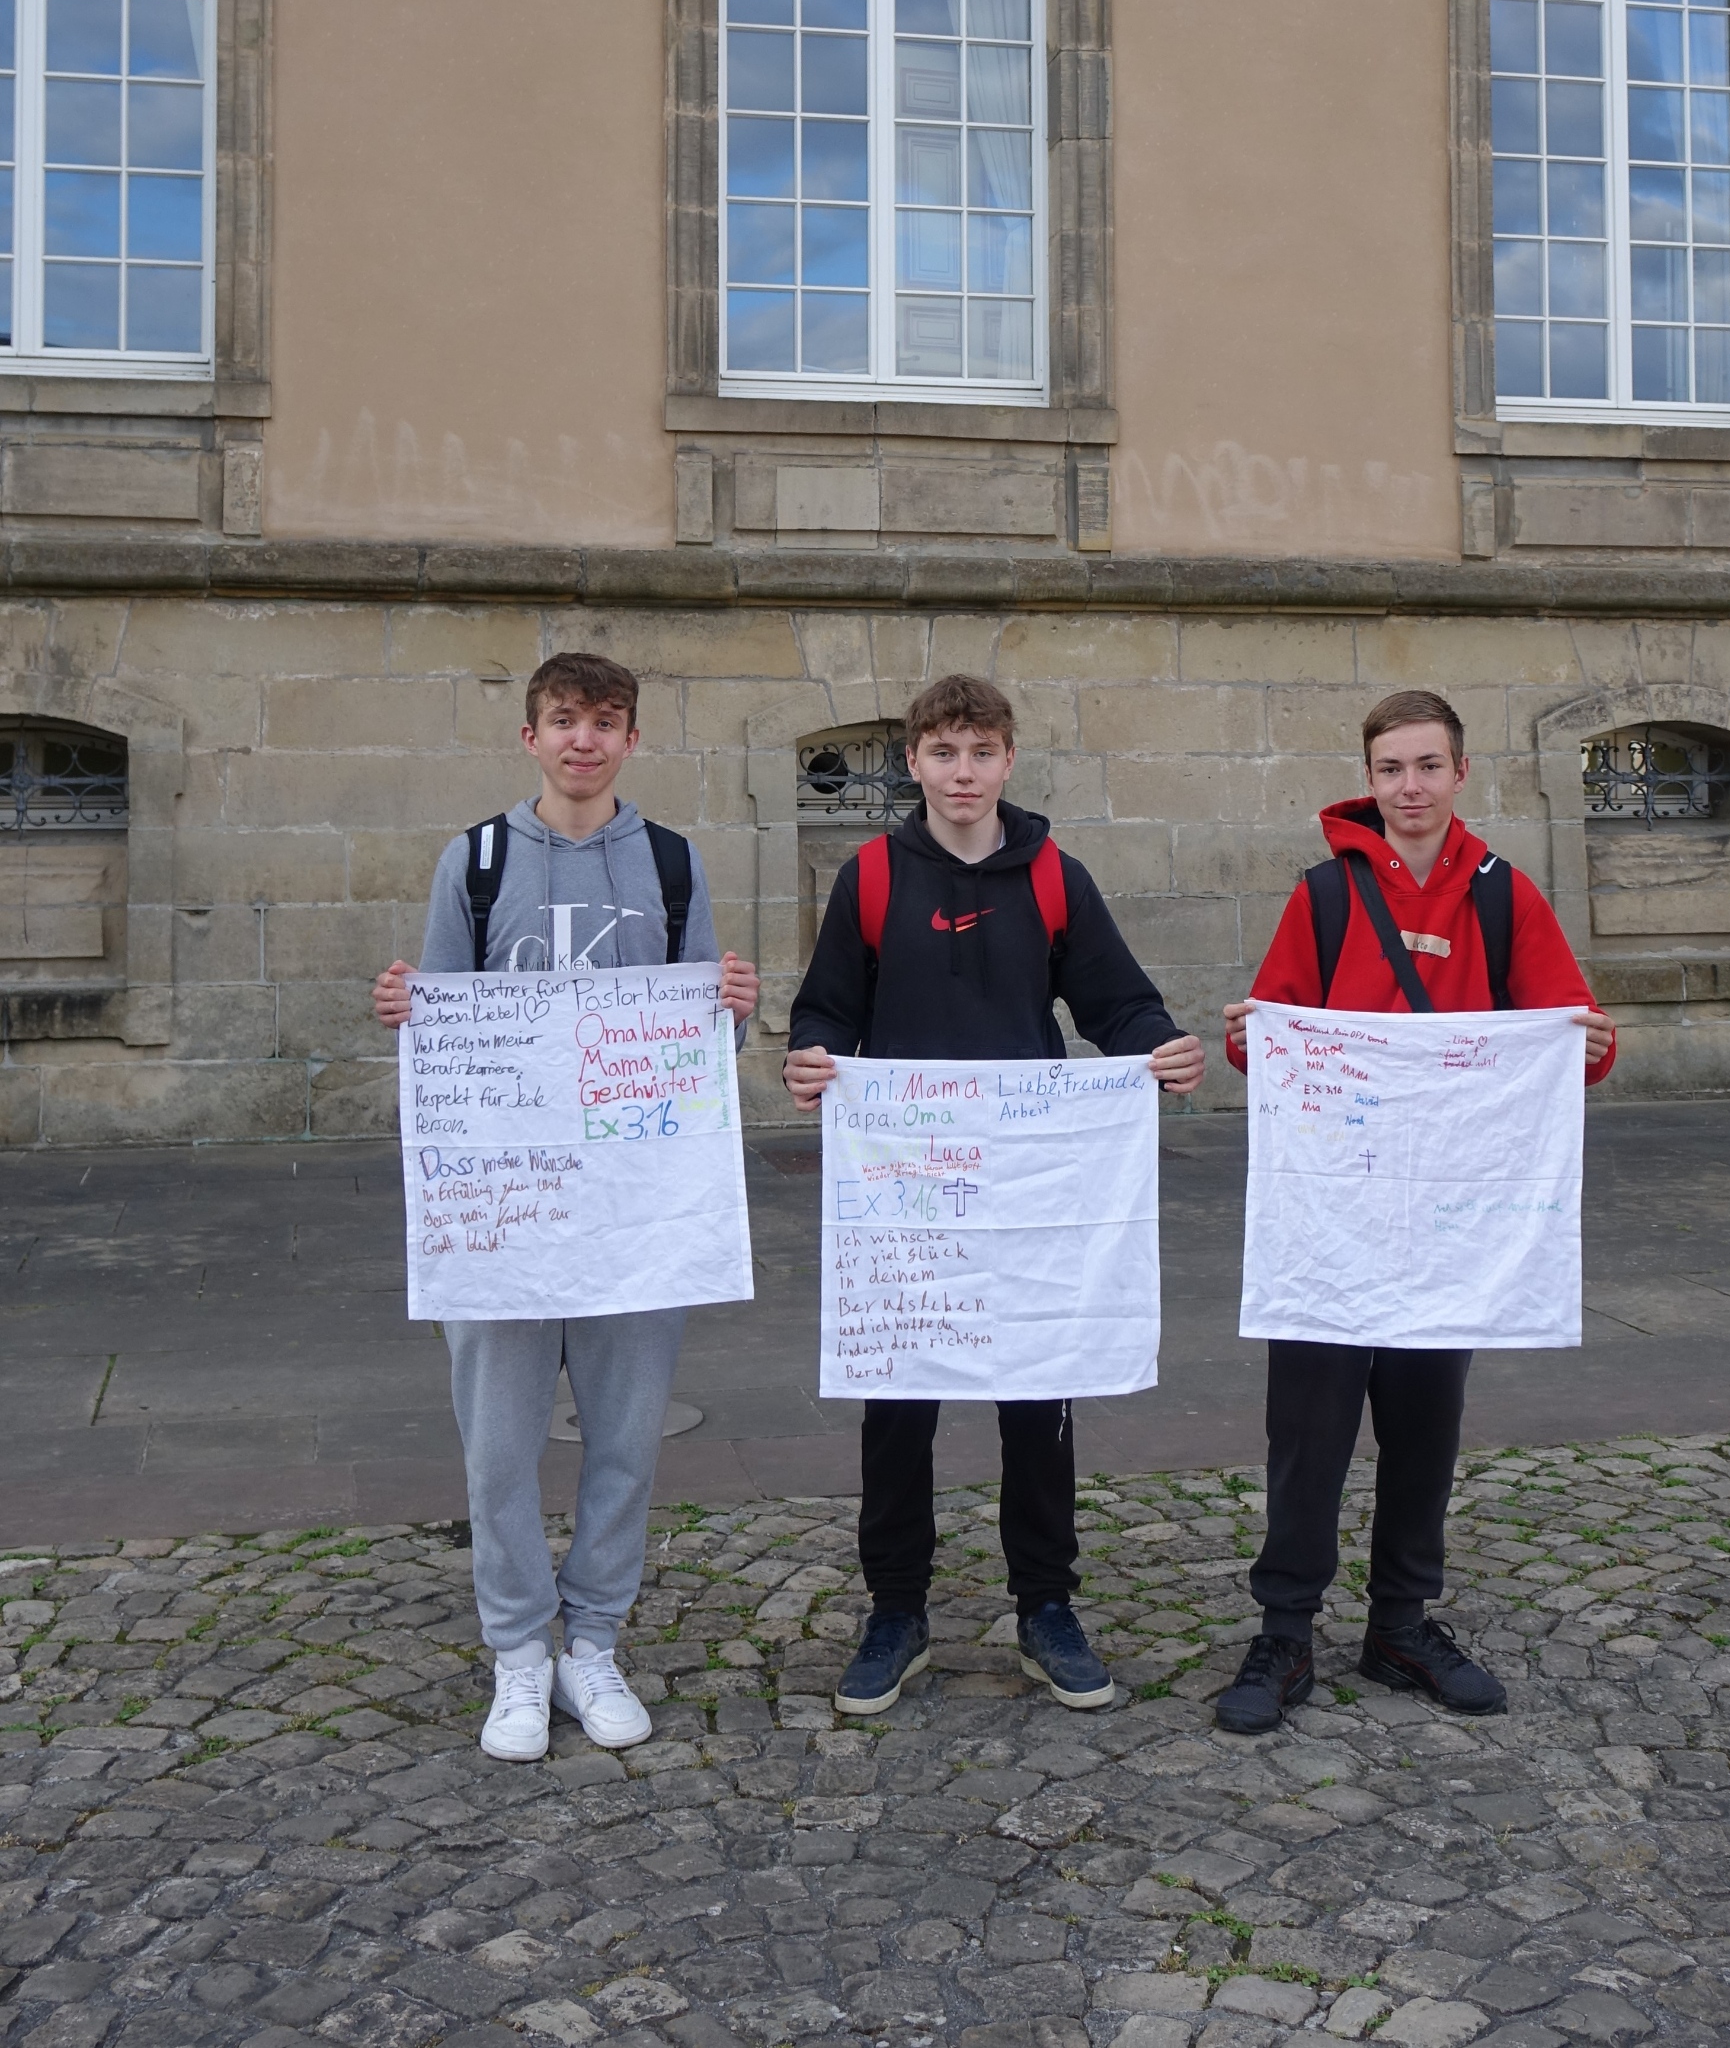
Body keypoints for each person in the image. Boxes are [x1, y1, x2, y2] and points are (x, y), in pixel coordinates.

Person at [785, 671, 1207, 1719]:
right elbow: (826, 1007)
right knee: (899, 1401)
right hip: (908, 1184)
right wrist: (811, 1057)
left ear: (1008, 760)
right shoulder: (873, 877)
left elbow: (1118, 999)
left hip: (1029, 1181)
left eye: (980, 753)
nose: (961, 772)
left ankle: (1046, 1604)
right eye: (942, 753)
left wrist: (1159, 1049)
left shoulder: (1054, 875)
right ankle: (896, 1609)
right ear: (914, 763)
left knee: (1038, 1396)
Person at [372, 650, 760, 1764]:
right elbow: (436, 1026)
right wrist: (406, 1006)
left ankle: (593, 1638)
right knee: (497, 1450)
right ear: (530, 738)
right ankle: (517, 1652)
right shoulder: (478, 860)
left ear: (632, 738)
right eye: (562, 721)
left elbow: (701, 1055)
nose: (583, 740)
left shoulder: (674, 865)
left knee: (624, 1443)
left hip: (637, 1212)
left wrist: (729, 1009)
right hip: (506, 1211)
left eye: (604, 721)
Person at [1213, 686, 1616, 1737]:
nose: (1409, 788)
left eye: (1427, 766)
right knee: (1310, 1427)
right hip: (1334, 1213)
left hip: (1450, 1217)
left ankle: (1401, 1623)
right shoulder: (1326, 897)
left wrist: (1590, 1049)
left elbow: (1565, 1035)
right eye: (1390, 769)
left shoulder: (1502, 897)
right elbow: (1267, 1036)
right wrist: (1253, 1036)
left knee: (1424, 1426)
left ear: (1460, 773)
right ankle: (1286, 1627)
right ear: (1370, 778)